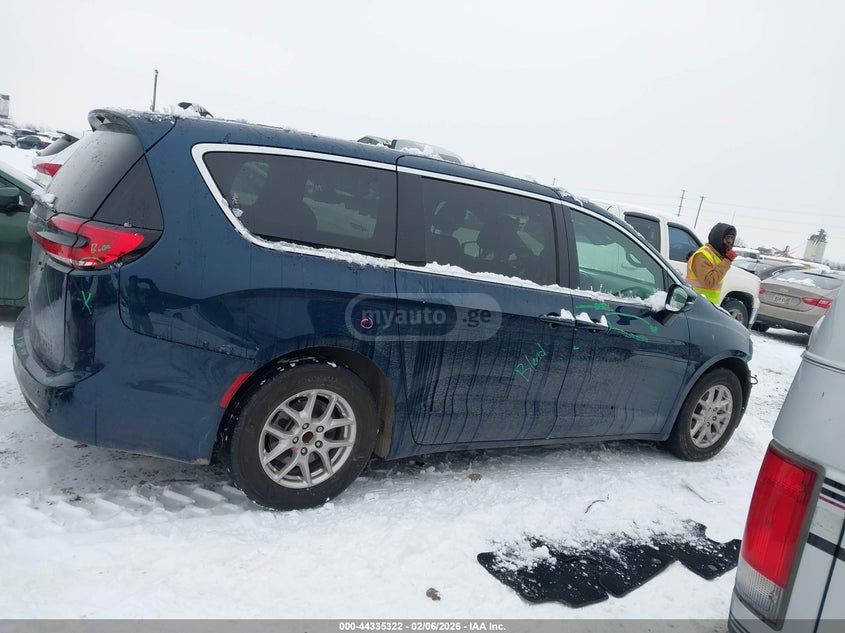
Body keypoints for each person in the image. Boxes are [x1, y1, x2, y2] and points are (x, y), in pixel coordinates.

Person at [685, 223, 737, 304]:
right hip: (695, 303)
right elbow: (708, 282)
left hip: (707, 305)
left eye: (732, 238)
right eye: (727, 237)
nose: (730, 241)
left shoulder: (717, 256)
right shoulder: (703, 255)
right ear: (718, 238)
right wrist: (727, 260)